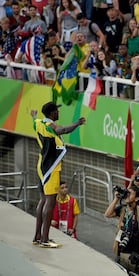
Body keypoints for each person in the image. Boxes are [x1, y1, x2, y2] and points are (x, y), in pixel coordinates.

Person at [31, 102, 86, 248]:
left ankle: (37, 236)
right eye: (57, 111)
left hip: (41, 165)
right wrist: (77, 123)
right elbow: (63, 129)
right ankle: (44, 239)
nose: (58, 113)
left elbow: (34, 120)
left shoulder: (38, 123)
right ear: (52, 113)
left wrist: (34, 115)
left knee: (42, 200)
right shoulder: (50, 126)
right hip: (51, 168)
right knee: (50, 203)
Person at [104, 184, 139, 273]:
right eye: (127, 193)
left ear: (137, 198)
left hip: (134, 253)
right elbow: (107, 214)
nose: (127, 195)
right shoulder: (123, 209)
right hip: (121, 250)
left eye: (130, 193)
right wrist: (116, 199)